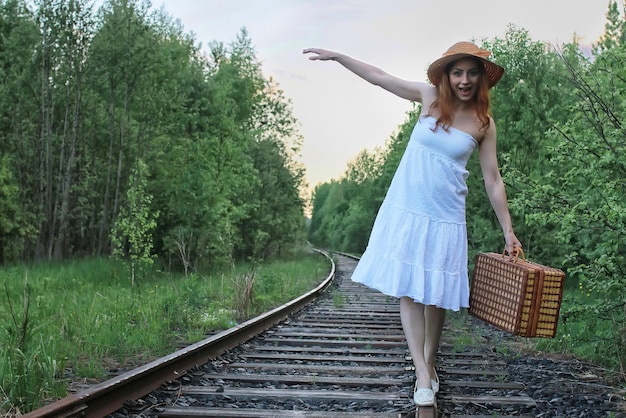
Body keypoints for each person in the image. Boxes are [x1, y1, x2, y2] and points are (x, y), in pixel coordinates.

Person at [303, 41, 522, 407]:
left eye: (471, 73)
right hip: (407, 209)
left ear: (481, 79)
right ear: (447, 76)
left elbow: (493, 179)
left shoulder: (484, 123)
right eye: (457, 72)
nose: (464, 80)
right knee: (409, 291)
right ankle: (422, 373)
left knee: (434, 297)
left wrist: (509, 231)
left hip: (446, 217)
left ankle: (430, 360)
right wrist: (339, 57)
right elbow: (379, 77)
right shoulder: (429, 98)